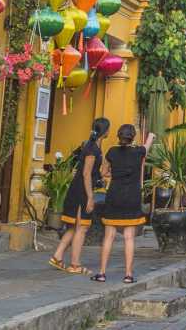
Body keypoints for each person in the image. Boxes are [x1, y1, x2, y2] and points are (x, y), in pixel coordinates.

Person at [50, 117, 109, 275]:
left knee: (73, 227)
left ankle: (57, 256)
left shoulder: (94, 147)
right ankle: (75, 264)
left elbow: (92, 172)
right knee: (82, 228)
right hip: (81, 191)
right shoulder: (92, 149)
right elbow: (86, 173)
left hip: (80, 189)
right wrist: (90, 197)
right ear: (106, 132)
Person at [92, 125, 151, 284]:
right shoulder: (139, 152)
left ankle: (102, 273)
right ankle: (128, 275)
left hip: (114, 196)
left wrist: (115, 173)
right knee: (129, 237)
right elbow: (148, 145)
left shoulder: (112, 152)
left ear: (119, 136)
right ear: (133, 137)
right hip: (132, 197)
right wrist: (151, 135)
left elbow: (103, 173)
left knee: (109, 236)